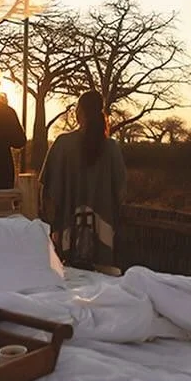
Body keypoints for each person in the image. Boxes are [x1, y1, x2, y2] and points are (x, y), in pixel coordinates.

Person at [40, 91, 128, 269]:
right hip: (104, 234)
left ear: (79, 112)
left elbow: (47, 190)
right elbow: (120, 191)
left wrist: (52, 223)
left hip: (67, 230)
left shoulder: (63, 144)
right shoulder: (112, 148)